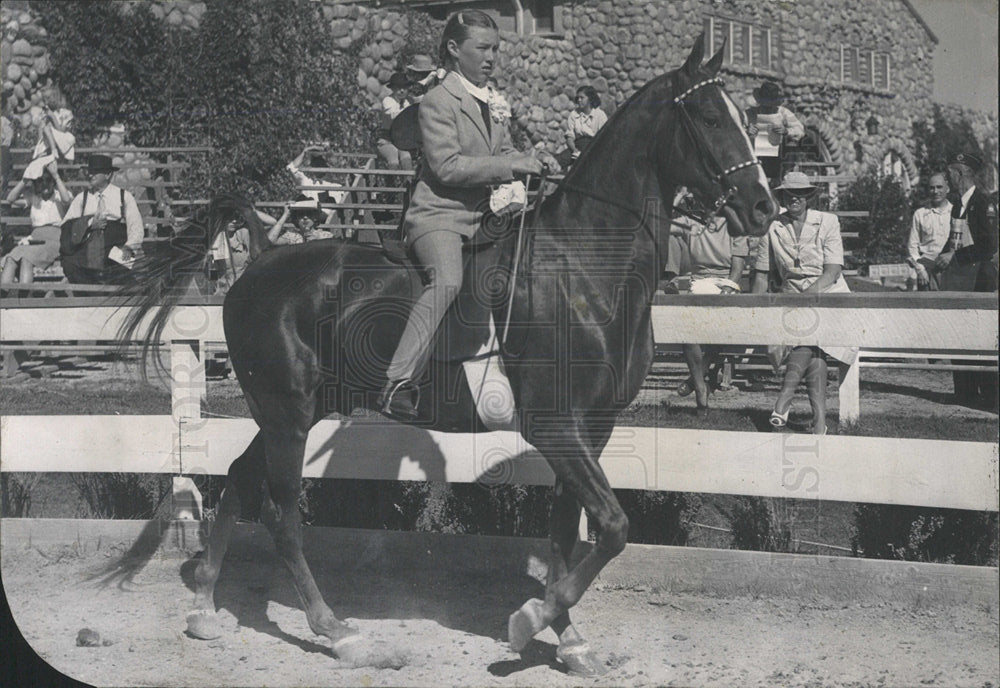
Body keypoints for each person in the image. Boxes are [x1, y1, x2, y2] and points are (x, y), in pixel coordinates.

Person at [377, 9, 547, 420]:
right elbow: (447, 166)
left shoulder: (492, 101)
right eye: (482, 48)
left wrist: (530, 159)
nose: (491, 57)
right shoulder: (437, 100)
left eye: (495, 49)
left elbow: (500, 153)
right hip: (439, 215)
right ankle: (396, 381)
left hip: (484, 215)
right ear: (454, 49)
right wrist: (511, 166)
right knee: (448, 280)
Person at [751, 172, 856, 435]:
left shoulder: (827, 221)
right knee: (812, 347)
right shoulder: (771, 226)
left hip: (829, 293)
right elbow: (762, 274)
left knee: (806, 335)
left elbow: (832, 272)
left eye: (800, 192)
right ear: (782, 196)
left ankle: (784, 397)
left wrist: (803, 299)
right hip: (792, 296)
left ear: (809, 196)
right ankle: (820, 424)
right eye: (788, 193)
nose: (794, 197)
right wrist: (756, 312)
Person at [671, 190, 749, 410]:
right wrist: (680, 196)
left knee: (721, 329)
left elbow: (737, 270)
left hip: (725, 282)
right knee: (687, 331)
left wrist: (726, 291)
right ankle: (700, 386)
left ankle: (697, 376)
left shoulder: (736, 226)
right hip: (697, 282)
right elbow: (662, 222)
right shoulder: (690, 223)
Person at [934, 151, 998, 408]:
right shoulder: (959, 205)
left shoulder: (982, 203)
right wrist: (939, 260)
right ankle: (965, 393)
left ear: (960, 175)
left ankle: (990, 398)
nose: (949, 180)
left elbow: (988, 246)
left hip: (980, 281)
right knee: (960, 337)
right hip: (961, 280)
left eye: (951, 175)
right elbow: (954, 241)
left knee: (981, 340)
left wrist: (954, 257)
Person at [59, 154, 144, 285]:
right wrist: (89, 224)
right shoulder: (82, 198)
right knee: (69, 263)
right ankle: (90, 297)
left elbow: (136, 226)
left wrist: (129, 247)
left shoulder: (123, 196)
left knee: (124, 268)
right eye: (89, 172)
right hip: (88, 249)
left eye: (95, 172)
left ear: (108, 174)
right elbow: (66, 225)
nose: (90, 175)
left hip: (116, 246)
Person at [1, 160, 72, 289]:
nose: (44, 184)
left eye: (47, 180)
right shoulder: (33, 198)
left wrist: (56, 176)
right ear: (35, 183)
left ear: (53, 182)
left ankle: (24, 298)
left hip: (54, 239)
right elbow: (10, 199)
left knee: (27, 258)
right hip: (34, 240)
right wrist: (24, 180)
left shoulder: (59, 196)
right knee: (11, 257)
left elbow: (67, 200)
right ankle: (4, 299)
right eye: (40, 180)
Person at [745, 80, 804, 184]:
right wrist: (747, 131)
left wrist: (786, 131)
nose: (767, 108)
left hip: (777, 157)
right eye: (765, 105)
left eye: (770, 106)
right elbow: (735, 130)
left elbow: (799, 130)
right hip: (754, 155)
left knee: (791, 145)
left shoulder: (783, 112)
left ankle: (783, 179)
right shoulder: (749, 113)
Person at [905, 172, 952, 291]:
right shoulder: (920, 214)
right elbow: (912, 247)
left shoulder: (957, 213)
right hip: (927, 272)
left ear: (948, 188)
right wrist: (920, 270)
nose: (935, 191)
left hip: (952, 270)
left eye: (939, 187)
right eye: (932, 188)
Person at [25, 87, 75, 179]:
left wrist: (52, 116)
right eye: (45, 99)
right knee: (43, 125)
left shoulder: (66, 113)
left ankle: (52, 149)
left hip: (64, 140)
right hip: (50, 143)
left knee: (46, 126)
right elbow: (41, 129)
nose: (47, 101)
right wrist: (38, 143)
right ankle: (47, 150)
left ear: (56, 97)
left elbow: (62, 130)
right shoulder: (46, 112)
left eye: (49, 98)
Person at [559, 85, 607, 168]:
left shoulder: (600, 115)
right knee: (561, 159)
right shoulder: (574, 114)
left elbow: (604, 138)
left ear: (590, 99)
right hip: (577, 147)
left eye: (582, 97)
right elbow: (570, 137)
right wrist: (574, 150)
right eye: (577, 98)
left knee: (585, 142)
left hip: (595, 148)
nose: (579, 100)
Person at [376, 72, 415, 171]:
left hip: (401, 142)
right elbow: (397, 115)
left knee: (406, 158)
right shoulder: (388, 101)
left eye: (404, 88)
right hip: (387, 141)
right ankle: (392, 184)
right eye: (398, 88)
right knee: (393, 159)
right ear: (393, 89)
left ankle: (408, 184)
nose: (402, 91)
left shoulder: (408, 102)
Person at [267, 195, 335, 246]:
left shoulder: (325, 236)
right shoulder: (291, 237)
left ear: (315, 217)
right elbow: (269, 242)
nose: (305, 217)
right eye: (301, 214)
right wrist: (285, 214)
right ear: (296, 218)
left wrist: (318, 242)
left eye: (309, 214)